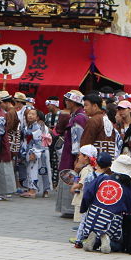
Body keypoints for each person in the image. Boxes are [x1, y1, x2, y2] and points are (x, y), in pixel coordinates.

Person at [80, 155, 131, 254]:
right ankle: (106, 238)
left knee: (94, 235)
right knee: (119, 244)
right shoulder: (127, 188)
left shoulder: (102, 179)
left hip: (93, 217)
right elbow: (129, 207)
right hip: (111, 220)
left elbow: (87, 195)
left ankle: (95, 238)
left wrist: (84, 209)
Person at [57, 90, 87, 218]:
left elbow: (77, 140)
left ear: (74, 102)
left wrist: (77, 157)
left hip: (72, 155)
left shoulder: (78, 118)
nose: (66, 102)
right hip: (71, 152)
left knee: (71, 177)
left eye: (68, 100)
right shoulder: (77, 116)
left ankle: (69, 208)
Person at [20, 108, 51, 198]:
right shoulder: (28, 126)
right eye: (29, 114)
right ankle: (31, 188)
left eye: (33, 114)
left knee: (33, 170)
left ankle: (33, 190)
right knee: (29, 170)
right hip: (29, 150)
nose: (30, 115)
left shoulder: (37, 127)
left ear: (37, 117)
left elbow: (38, 142)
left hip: (34, 151)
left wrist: (34, 153)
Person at [81, 93, 118, 159]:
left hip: (96, 160)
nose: (84, 108)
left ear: (95, 106)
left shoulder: (93, 120)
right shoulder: (107, 120)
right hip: (108, 159)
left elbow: (86, 144)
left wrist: (80, 158)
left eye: (86, 105)